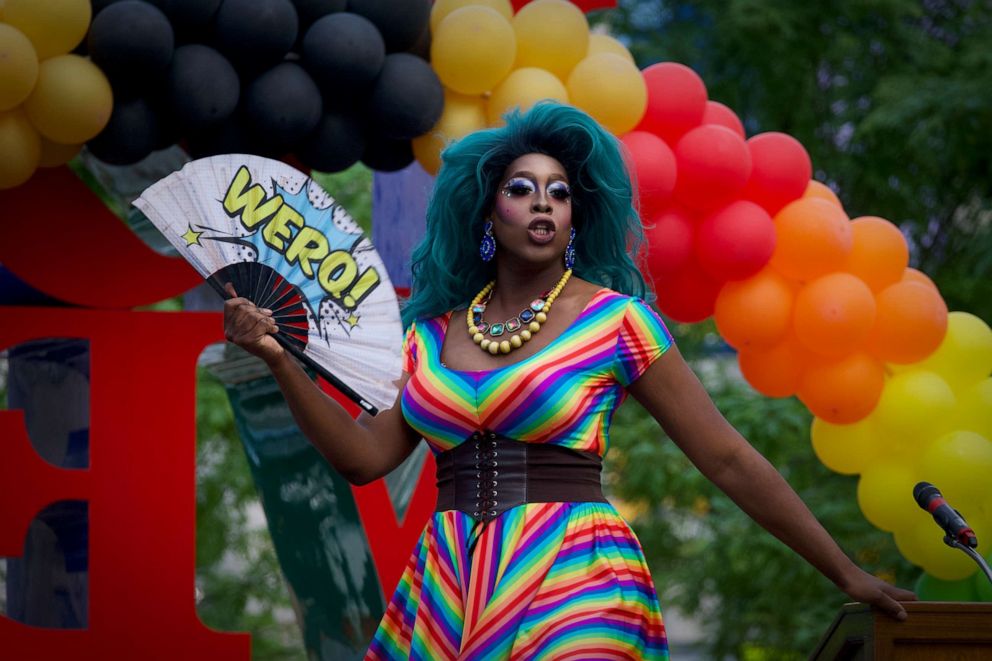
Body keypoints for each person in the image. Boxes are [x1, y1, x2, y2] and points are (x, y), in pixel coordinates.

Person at [223, 102, 915, 659]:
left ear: (578, 214)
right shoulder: (428, 335)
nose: (543, 204)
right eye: (520, 190)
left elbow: (727, 456)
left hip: (575, 577)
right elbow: (362, 458)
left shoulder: (617, 321)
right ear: (488, 212)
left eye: (560, 192)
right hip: (449, 586)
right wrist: (280, 358)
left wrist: (844, 570)